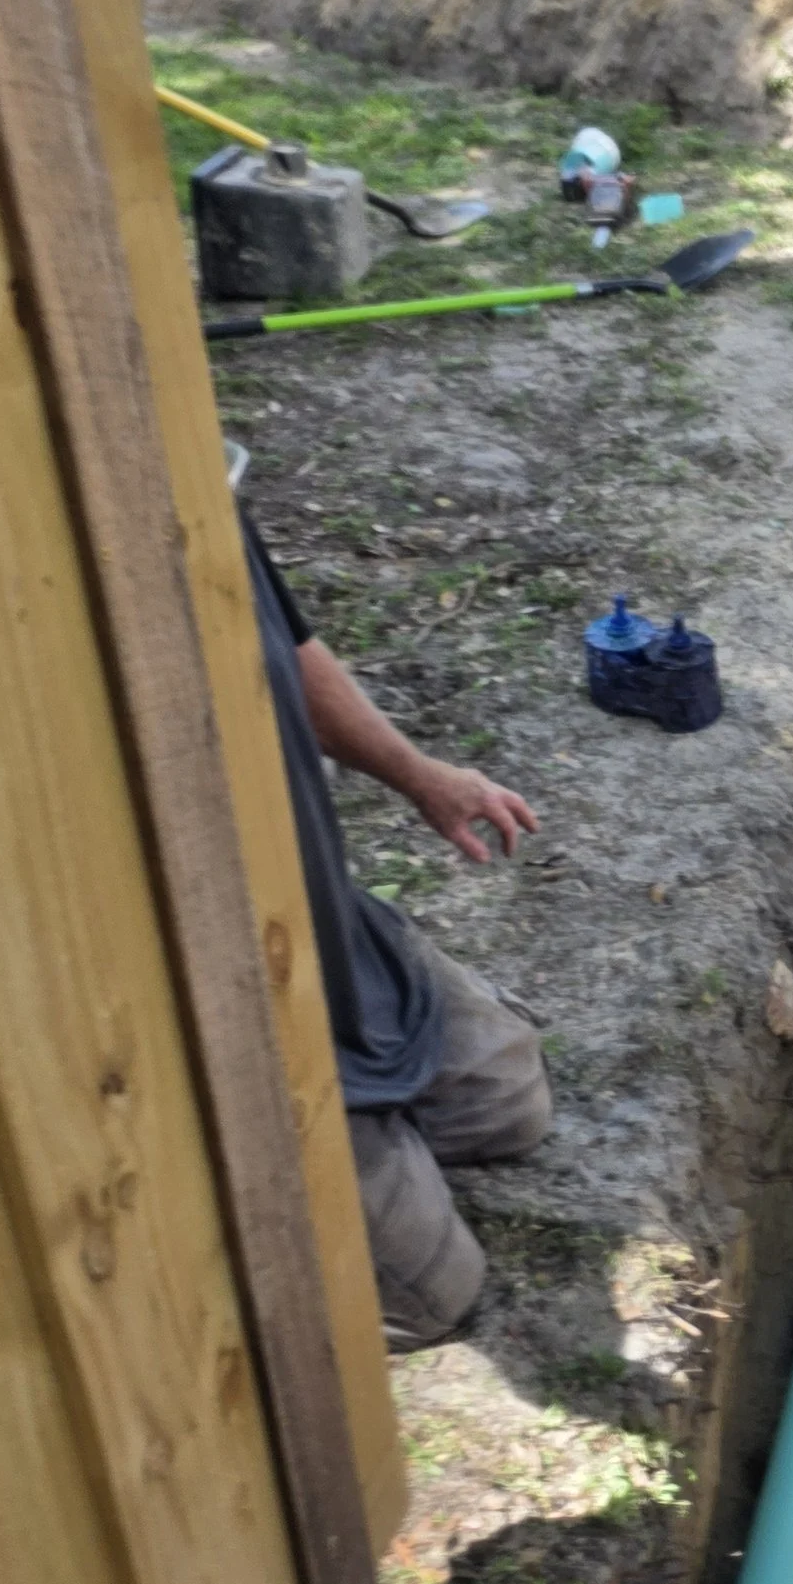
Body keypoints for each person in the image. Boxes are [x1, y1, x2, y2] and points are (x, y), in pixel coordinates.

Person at [235, 475, 551, 1348]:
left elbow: (285, 650)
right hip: (230, 1012)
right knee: (435, 1290)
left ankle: (374, 1135)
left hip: (319, 930)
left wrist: (422, 775)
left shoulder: (191, 474)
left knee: (507, 1103)